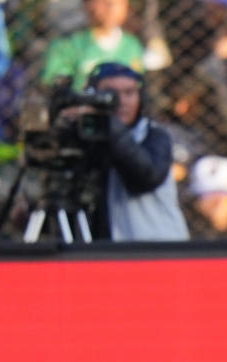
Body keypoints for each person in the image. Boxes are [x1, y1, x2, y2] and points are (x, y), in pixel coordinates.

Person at [76, 62, 188, 241]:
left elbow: (144, 178)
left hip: (156, 251)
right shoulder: (86, 138)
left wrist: (106, 122)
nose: (120, 101)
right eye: (109, 93)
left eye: (129, 93)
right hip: (105, 253)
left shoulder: (154, 135)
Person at [42, 0, 144, 90]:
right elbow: (54, 85)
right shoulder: (68, 43)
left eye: (118, 2)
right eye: (104, 2)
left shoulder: (132, 45)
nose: (111, 7)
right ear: (87, 4)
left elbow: (137, 84)